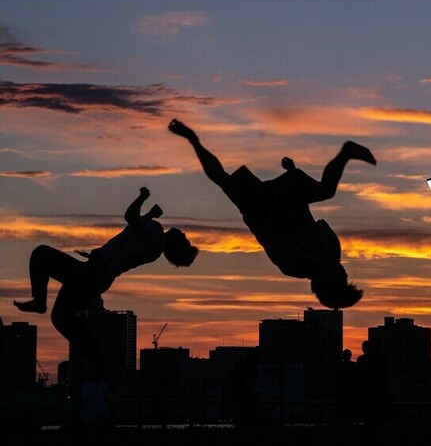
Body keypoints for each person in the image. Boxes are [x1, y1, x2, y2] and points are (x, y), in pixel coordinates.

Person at [168, 119, 374, 309]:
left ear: (328, 282)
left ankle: (193, 140)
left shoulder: (299, 264)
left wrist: (289, 184)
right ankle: (346, 153)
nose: (345, 274)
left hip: (262, 208)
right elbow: (311, 221)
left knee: (222, 179)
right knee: (325, 191)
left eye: (343, 280)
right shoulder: (329, 253)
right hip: (278, 203)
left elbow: (273, 236)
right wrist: (292, 176)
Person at [14, 187, 198, 378]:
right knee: (62, 318)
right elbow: (133, 232)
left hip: (93, 272)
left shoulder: (156, 232)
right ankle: (98, 362)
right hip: (99, 277)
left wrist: (142, 197)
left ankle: (42, 303)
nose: (183, 233)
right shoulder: (155, 243)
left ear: (176, 244)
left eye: (184, 239)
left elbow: (130, 216)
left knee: (41, 254)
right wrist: (149, 215)